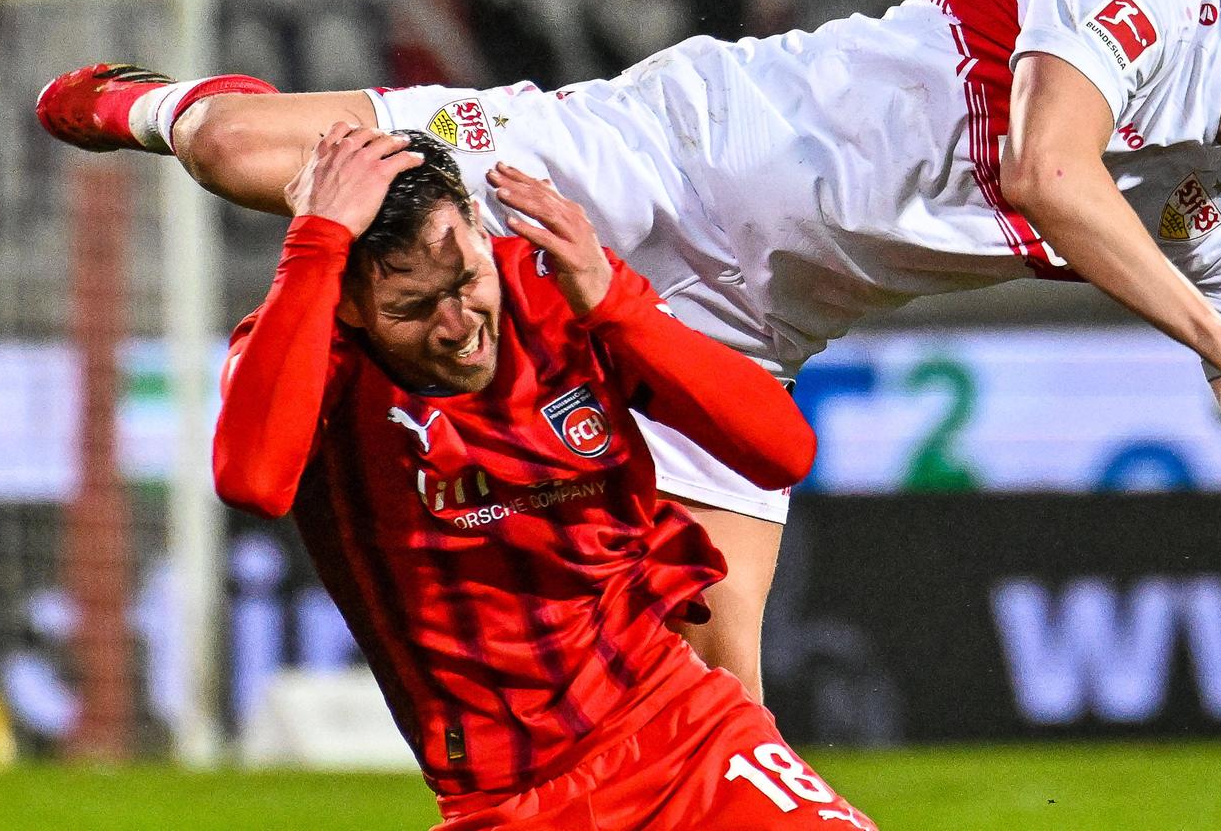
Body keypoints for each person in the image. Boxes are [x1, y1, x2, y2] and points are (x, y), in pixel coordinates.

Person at [38, 0, 1221, 756]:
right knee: (254, 164)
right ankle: (137, 100)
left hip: (747, 334)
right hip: (659, 161)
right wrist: (1220, 337)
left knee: (718, 716)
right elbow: (1044, 172)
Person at [213, 124, 873, 829]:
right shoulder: (310, 347)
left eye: (466, 279)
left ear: (473, 222)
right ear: (344, 300)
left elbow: (782, 451)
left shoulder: (553, 281)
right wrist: (315, 243)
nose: (458, 323)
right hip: (510, 801)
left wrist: (616, 303)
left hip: (688, 731)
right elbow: (253, 481)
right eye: (412, 308)